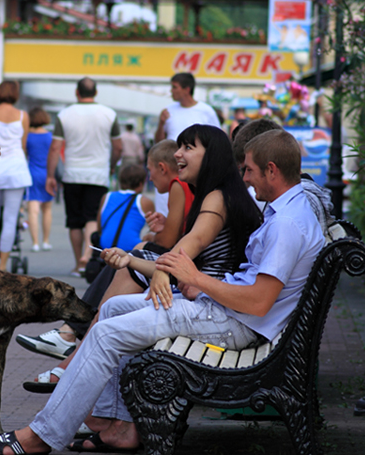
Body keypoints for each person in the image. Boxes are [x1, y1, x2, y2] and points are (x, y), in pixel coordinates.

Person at [0, 129, 325, 455]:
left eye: (249, 170)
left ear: (272, 170)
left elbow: (258, 302)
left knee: (105, 333)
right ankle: (118, 425)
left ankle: (44, 434)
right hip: (226, 312)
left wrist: (197, 280)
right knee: (113, 308)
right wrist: (196, 283)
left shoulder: (286, 225)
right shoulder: (288, 213)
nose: (245, 178)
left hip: (235, 323)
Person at [19, 126, 261, 393]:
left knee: (111, 324)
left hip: (210, 304)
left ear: (212, 156)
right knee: (122, 284)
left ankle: (77, 382)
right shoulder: (214, 194)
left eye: (188, 148)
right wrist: (132, 260)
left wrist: (163, 268)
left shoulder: (214, 195)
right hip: (202, 296)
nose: (178, 153)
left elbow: (193, 241)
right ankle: (83, 387)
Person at [17, 139, 193, 362]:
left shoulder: (178, 185)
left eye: (150, 171)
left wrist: (154, 235)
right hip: (185, 265)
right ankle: (69, 334)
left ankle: (69, 333)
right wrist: (161, 229)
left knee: (129, 258)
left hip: (184, 271)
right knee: (129, 255)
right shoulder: (181, 187)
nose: (149, 178)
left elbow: (166, 242)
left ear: (161, 168)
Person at [45, 77, 123, 276]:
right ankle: (88, 256)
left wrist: (50, 175)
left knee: (74, 221)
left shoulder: (65, 115)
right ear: (96, 92)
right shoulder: (109, 114)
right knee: (91, 217)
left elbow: (55, 148)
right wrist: (111, 166)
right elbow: (118, 147)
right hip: (98, 175)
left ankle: (78, 262)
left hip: (72, 174)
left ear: (76, 93)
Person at [0, 80, 32, 271]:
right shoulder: (23, 116)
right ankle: (3, 264)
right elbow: (23, 145)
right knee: (11, 218)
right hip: (16, 170)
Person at [154, 72, 221, 216]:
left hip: (196, 170)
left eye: (175, 87)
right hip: (172, 166)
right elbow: (159, 142)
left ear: (187, 89)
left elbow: (217, 140)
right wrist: (161, 123)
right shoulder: (168, 111)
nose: (171, 91)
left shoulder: (206, 111)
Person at [96, 164, 154, 251]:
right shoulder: (144, 201)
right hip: (131, 250)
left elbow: (99, 227)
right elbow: (154, 229)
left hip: (105, 248)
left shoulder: (107, 197)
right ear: (141, 184)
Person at [25, 106, 53, 252]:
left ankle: (35, 242)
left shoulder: (27, 136)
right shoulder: (50, 136)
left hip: (32, 174)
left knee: (33, 210)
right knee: (47, 209)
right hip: (47, 174)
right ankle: (46, 241)